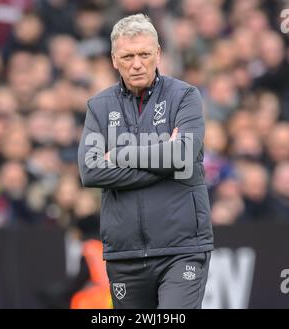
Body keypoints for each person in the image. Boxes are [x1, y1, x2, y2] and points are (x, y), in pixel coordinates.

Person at [78, 14, 213, 309]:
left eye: (144, 54)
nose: (136, 63)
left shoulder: (185, 97)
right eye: (127, 56)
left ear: (158, 54)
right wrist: (165, 161)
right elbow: (90, 171)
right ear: (114, 59)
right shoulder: (99, 107)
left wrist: (120, 156)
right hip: (124, 255)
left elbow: (182, 156)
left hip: (182, 249)